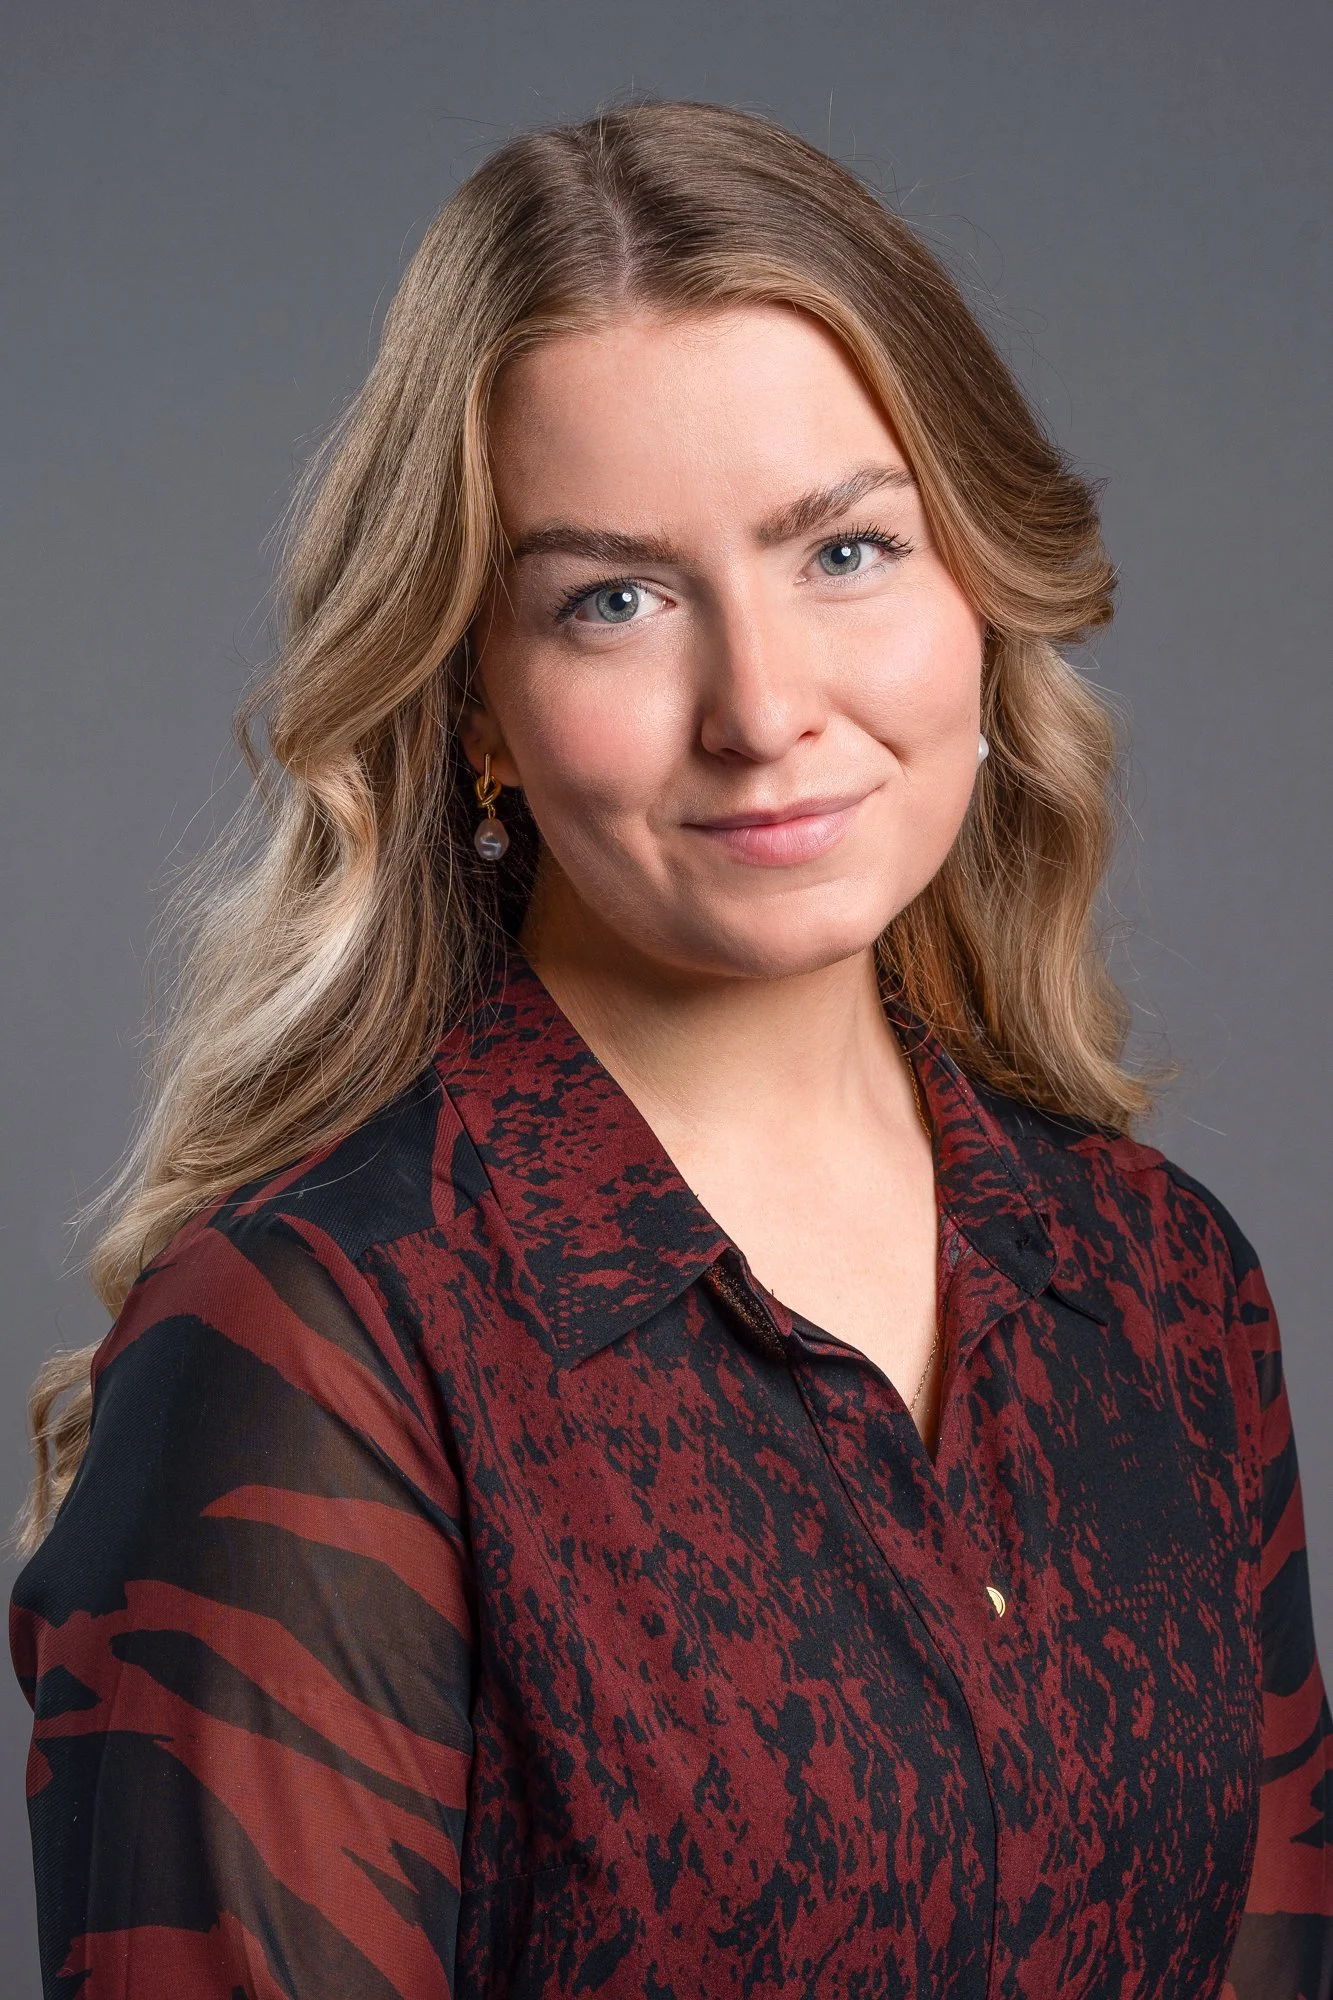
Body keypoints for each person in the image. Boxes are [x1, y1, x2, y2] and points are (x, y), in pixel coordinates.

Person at [10, 100, 1331, 2000]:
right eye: (613, 600)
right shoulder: (311, 1345)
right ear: (476, 696)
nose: (766, 706)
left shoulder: (1166, 1285)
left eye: (849, 551)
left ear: (983, 583)